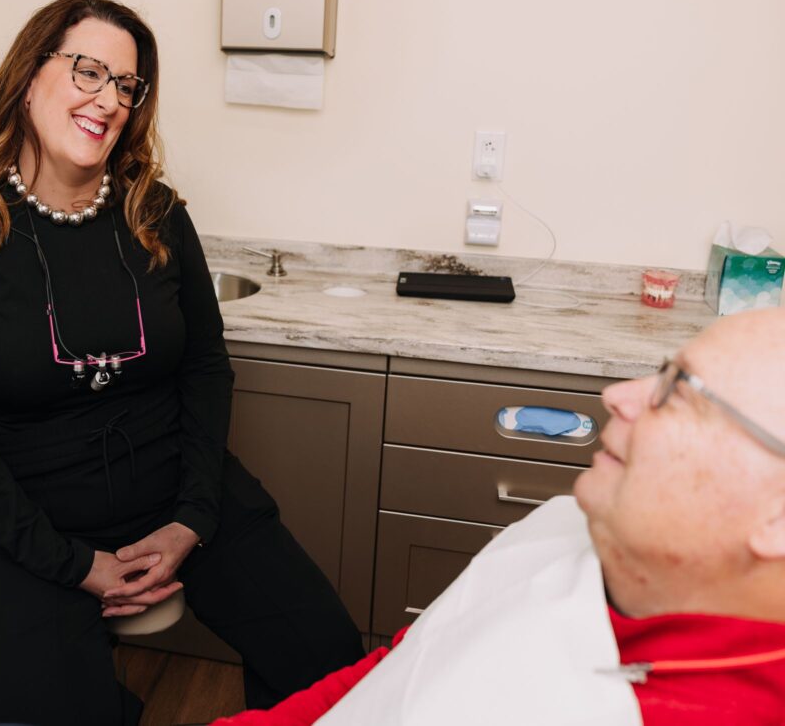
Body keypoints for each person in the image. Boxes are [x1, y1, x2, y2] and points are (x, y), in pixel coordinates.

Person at [0, 0, 363, 726]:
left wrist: (192, 518)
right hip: (26, 517)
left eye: (125, 84)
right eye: (88, 71)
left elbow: (206, 367)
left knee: (329, 661)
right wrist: (72, 562)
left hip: (174, 488)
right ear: (28, 74)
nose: (108, 99)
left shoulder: (159, 213)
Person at [212, 307, 785, 725]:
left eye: (679, 391)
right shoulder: (564, 525)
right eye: (661, 369)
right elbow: (402, 667)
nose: (618, 394)